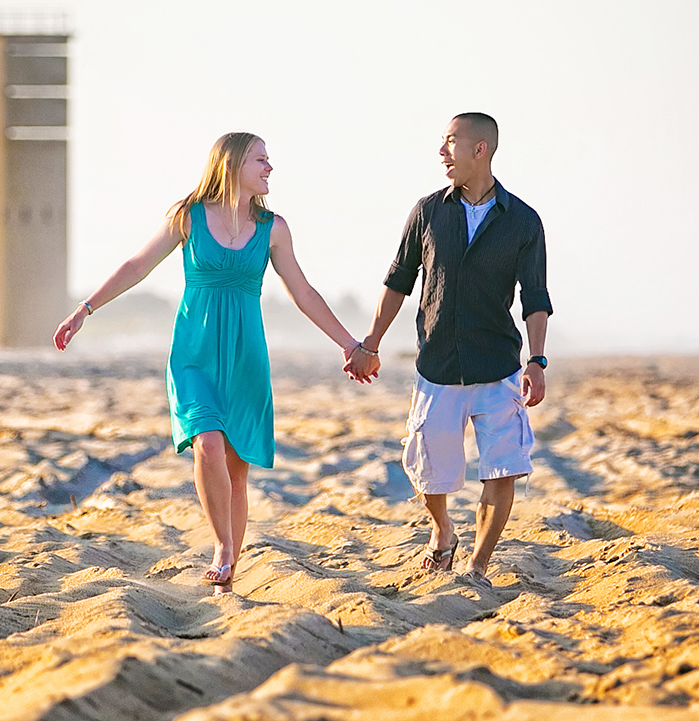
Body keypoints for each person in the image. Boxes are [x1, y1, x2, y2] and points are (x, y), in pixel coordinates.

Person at [55, 132, 361, 593]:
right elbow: (137, 265)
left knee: (237, 471)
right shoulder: (187, 216)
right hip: (193, 356)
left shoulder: (273, 229)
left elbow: (303, 293)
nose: (270, 168)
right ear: (233, 164)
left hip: (245, 359)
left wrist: (349, 344)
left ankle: (229, 574)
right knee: (208, 445)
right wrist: (85, 309)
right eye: (261, 159)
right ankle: (222, 547)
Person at [343, 112, 551, 586]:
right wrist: (371, 342)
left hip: (498, 366)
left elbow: (535, 299)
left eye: (450, 142)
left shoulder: (523, 221)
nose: (441, 152)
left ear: (480, 150)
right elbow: (398, 281)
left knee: (502, 468)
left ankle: (477, 566)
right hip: (437, 365)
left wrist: (536, 360)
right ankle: (443, 532)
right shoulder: (428, 211)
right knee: (427, 470)